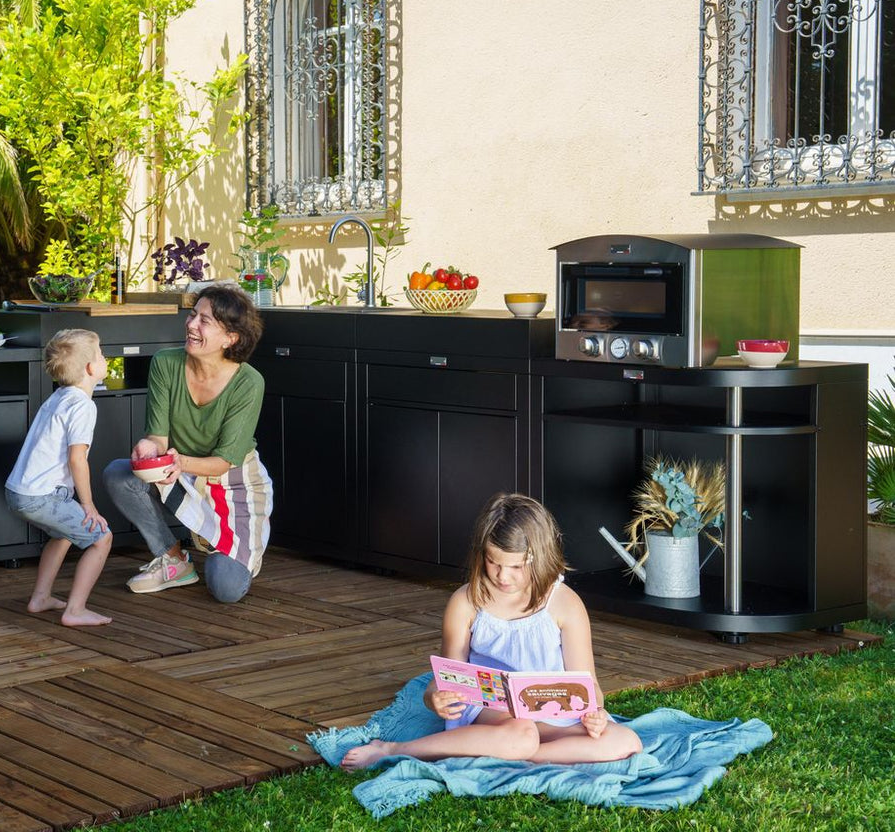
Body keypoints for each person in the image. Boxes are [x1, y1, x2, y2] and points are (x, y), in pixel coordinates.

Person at [341, 493, 642, 768]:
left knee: (627, 742)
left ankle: (514, 754)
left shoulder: (565, 603)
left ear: (540, 557)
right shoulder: (466, 602)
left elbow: (589, 686)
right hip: (490, 714)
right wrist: (434, 697)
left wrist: (595, 713)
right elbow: (446, 677)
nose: (502, 576)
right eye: (493, 562)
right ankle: (393, 749)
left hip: (551, 717)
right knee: (522, 734)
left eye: (516, 567)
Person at [102, 283, 272, 603]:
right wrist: (149, 448)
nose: (191, 324)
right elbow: (158, 437)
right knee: (118, 474)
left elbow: (223, 461)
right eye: (192, 315)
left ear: (230, 338)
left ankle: (233, 547)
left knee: (226, 589)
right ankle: (173, 559)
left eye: (204, 321)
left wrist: (179, 463)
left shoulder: (249, 382)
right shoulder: (166, 363)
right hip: (180, 470)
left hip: (231, 482)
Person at [4, 328, 113, 627]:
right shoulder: (83, 406)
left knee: (63, 533)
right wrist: (88, 505)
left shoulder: (58, 397)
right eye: (101, 354)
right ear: (90, 368)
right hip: (41, 497)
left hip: (18, 491)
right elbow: (77, 459)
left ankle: (41, 598)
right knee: (102, 538)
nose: (105, 358)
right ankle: (75, 610)